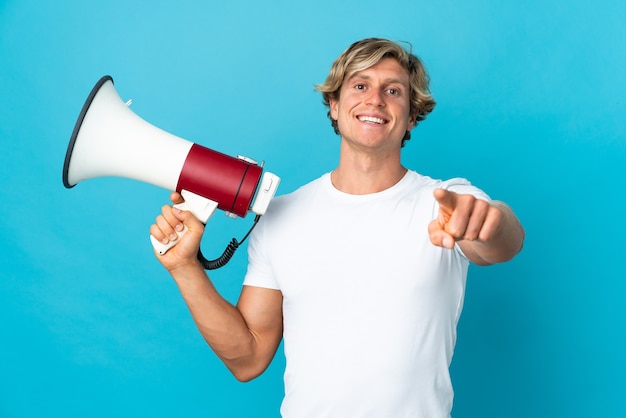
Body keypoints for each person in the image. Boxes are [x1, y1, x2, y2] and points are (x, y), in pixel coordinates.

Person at [150, 38, 525, 417]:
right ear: (334, 104)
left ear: (412, 116)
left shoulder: (447, 201)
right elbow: (247, 359)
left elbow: (504, 241)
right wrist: (185, 268)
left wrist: (486, 223)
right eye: (360, 86)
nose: (375, 99)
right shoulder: (281, 217)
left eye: (393, 91)